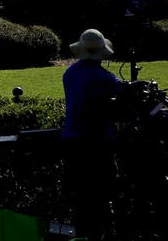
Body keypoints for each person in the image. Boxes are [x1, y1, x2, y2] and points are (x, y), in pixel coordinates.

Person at [61, 29, 122, 241]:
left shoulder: (69, 73)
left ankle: (83, 236)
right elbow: (123, 95)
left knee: (81, 200)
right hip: (96, 143)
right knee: (99, 199)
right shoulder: (103, 78)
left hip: (72, 141)